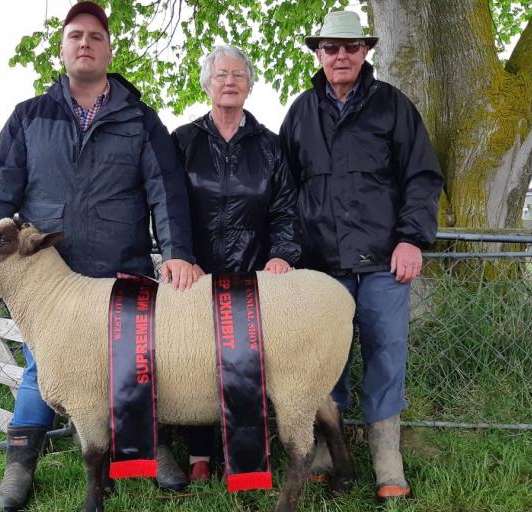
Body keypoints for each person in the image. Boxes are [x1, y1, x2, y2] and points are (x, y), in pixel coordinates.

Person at [0, 2, 195, 509]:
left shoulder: (140, 119)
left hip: (118, 265)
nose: (85, 43)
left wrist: (177, 252)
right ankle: (20, 467)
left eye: (95, 37)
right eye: (75, 36)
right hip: (48, 274)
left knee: (137, 361)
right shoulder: (29, 117)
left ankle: (152, 445)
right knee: (45, 368)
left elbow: (165, 190)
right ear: (62, 48)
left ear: (108, 49)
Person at [279, 10, 444, 501]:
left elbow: (421, 176)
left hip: (383, 263)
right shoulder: (301, 112)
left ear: (366, 51)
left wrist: (412, 238)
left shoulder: (393, 106)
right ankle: (329, 448)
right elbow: (284, 192)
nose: (341, 55)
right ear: (319, 54)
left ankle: (385, 457)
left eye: (350, 47)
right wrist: (289, 254)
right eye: (331, 47)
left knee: (386, 357)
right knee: (323, 363)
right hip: (320, 269)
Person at [170, 45, 301, 482]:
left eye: (238, 75)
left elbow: (285, 210)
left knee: (246, 362)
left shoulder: (271, 147)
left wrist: (282, 255)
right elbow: (169, 208)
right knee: (195, 363)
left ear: (249, 85)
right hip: (195, 276)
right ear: (207, 83)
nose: (229, 82)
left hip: (252, 275)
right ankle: (199, 454)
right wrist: (182, 258)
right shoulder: (182, 142)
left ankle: (245, 455)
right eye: (221, 74)